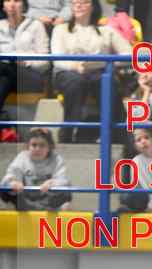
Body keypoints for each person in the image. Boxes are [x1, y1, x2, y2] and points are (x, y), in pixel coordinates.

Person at [51, 0, 131, 143]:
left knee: (107, 82)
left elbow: (129, 54)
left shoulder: (106, 31)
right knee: (75, 82)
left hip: (98, 71)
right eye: (75, 2)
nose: (78, 5)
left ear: (93, 6)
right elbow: (57, 59)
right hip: (68, 72)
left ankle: (116, 135)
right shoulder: (60, 29)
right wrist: (75, 66)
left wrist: (110, 62)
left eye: (84, 2)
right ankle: (67, 133)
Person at [0, 126, 72, 209]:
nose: (37, 149)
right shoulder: (22, 157)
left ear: (49, 147)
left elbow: (64, 180)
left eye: (42, 145)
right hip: (26, 199)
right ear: (28, 146)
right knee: (5, 190)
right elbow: (10, 175)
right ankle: (27, 208)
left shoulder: (56, 159)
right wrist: (14, 183)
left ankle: (49, 208)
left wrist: (53, 183)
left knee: (66, 192)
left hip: (48, 199)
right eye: (34, 145)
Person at [0, 0, 48, 116]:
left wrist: (26, 62)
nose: (12, 5)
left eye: (16, 1)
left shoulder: (36, 25)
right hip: (7, 76)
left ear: (24, 5)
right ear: (3, 6)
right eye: (8, 1)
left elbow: (45, 62)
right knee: (4, 80)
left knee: (5, 69)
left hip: (30, 76)